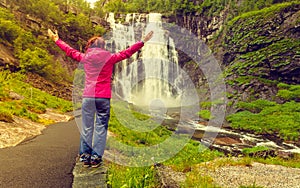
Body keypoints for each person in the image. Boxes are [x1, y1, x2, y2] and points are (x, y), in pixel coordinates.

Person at [48, 28, 154, 168]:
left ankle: (85, 156)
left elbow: (70, 51)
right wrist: (142, 41)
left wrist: (56, 39)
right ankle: (96, 157)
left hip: (88, 96)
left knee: (87, 126)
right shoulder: (110, 58)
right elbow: (127, 53)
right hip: (103, 97)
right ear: (103, 46)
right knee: (101, 127)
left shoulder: (85, 57)